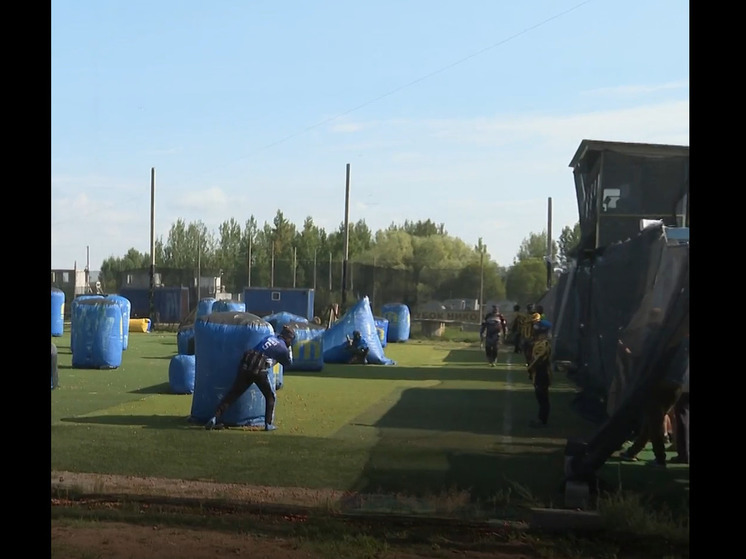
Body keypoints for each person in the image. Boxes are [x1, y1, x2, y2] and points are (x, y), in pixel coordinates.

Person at [205, 325, 295, 431]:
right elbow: (288, 363)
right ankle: (268, 424)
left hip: (246, 362)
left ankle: (215, 417)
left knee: (233, 394)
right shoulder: (283, 348)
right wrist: (289, 349)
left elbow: (265, 349)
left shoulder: (269, 337)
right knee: (270, 396)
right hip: (258, 367)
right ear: (288, 339)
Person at [527, 319, 552, 427]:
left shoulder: (543, 344)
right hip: (539, 373)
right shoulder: (540, 342)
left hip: (542, 374)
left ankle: (542, 420)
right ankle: (541, 419)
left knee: (542, 397)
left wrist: (529, 369)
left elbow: (538, 360)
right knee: (540, 397)